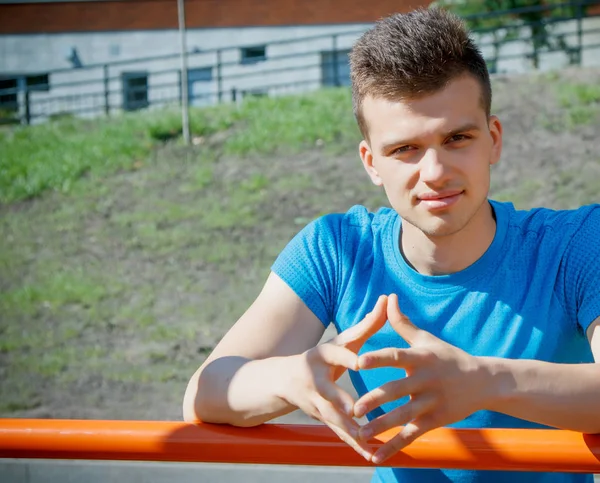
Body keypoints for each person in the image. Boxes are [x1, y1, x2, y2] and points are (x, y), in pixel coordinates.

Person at [182, 7, 600, 483]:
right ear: (371, 162)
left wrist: (486, 382)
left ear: (494, 139)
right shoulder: (337, 250)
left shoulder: (577, 244)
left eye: (457, 138)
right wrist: (289, 378)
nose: (435, 172)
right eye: (405, 149)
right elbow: (206, 390)